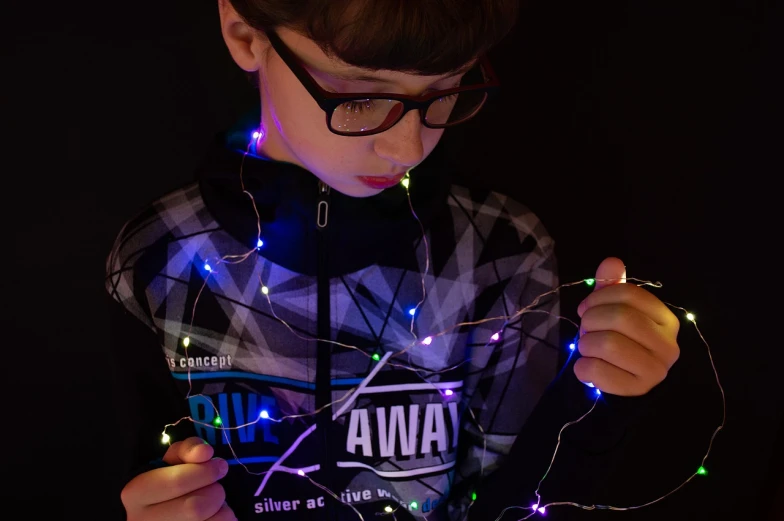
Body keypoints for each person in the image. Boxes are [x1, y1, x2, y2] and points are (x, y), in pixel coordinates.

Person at [104, 1, 681, 520]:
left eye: (446, 90)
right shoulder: (158, 255)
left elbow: (522, 499)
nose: (407, 148)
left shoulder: (501, 252)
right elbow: (132, 463)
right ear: (245, 33)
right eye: (359, 97)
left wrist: (601, 397)